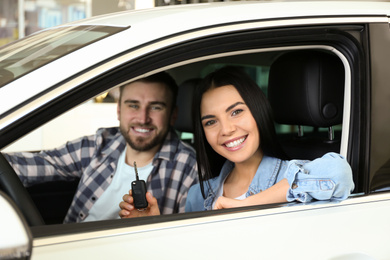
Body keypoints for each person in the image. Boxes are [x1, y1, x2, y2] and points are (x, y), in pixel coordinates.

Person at [119, 66, 354, 218]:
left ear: (258, 110)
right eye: (211, 122)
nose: (227, 130)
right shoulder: (198, 196)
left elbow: (339, 173)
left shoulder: (290, 176)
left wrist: (247, 205)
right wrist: (154, 224)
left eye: (236, 112)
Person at [4, 72, 198, 223]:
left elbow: (187, 241)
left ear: (173, 115)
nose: (143, 118)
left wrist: (153, 226)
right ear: (119, 110)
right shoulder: (101, 144)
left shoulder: (190, 168)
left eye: (156, 107)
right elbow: (35, 165)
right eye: (133, 105)